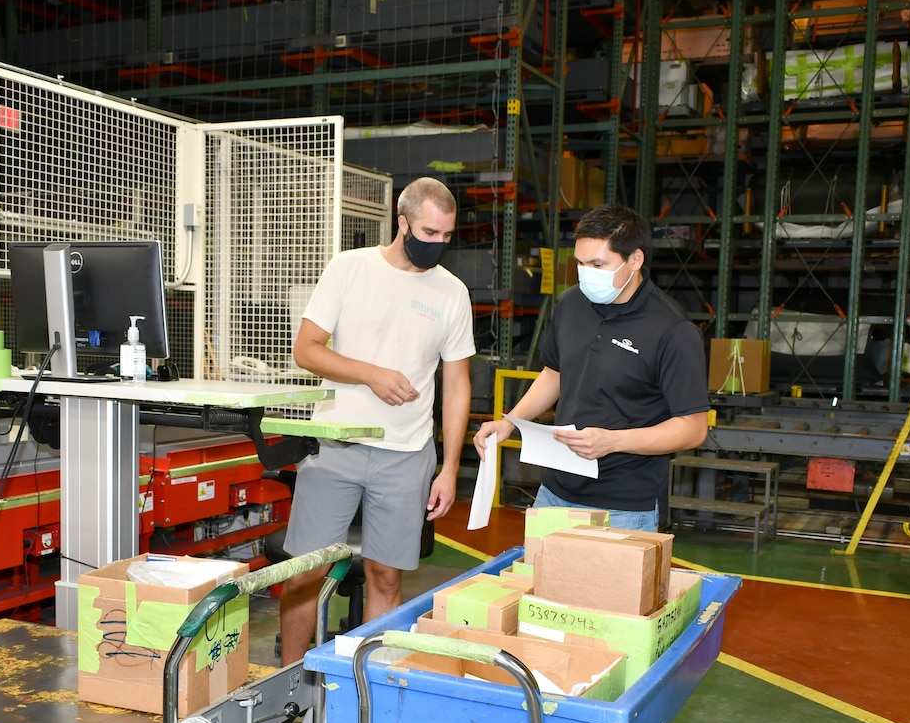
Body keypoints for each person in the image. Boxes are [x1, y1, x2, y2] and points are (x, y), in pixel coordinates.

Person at [277, 177, 475, 663]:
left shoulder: (452, 292)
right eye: (429, 233)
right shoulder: (349, 268)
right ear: (402, 223)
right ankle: (285, 690)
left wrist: (449, 467)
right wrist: (369, 374)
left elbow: (456, 385)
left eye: (447, 236)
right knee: (305, 573)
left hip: (407, 456)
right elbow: (307, 350)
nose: (438, 245)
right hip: (334, 447)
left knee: (386, 576)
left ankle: (366, 693)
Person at [473, 202, 708, 531]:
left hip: (625, 505)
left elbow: (693, 428)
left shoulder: (672, 330)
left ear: (635, 260)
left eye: (599, 264)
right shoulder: (570, 304)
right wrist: (510, 422)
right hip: (555, 490)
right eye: (581, 264)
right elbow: (554, 374)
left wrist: (613, 441)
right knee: (539, 581)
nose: (587, 274)